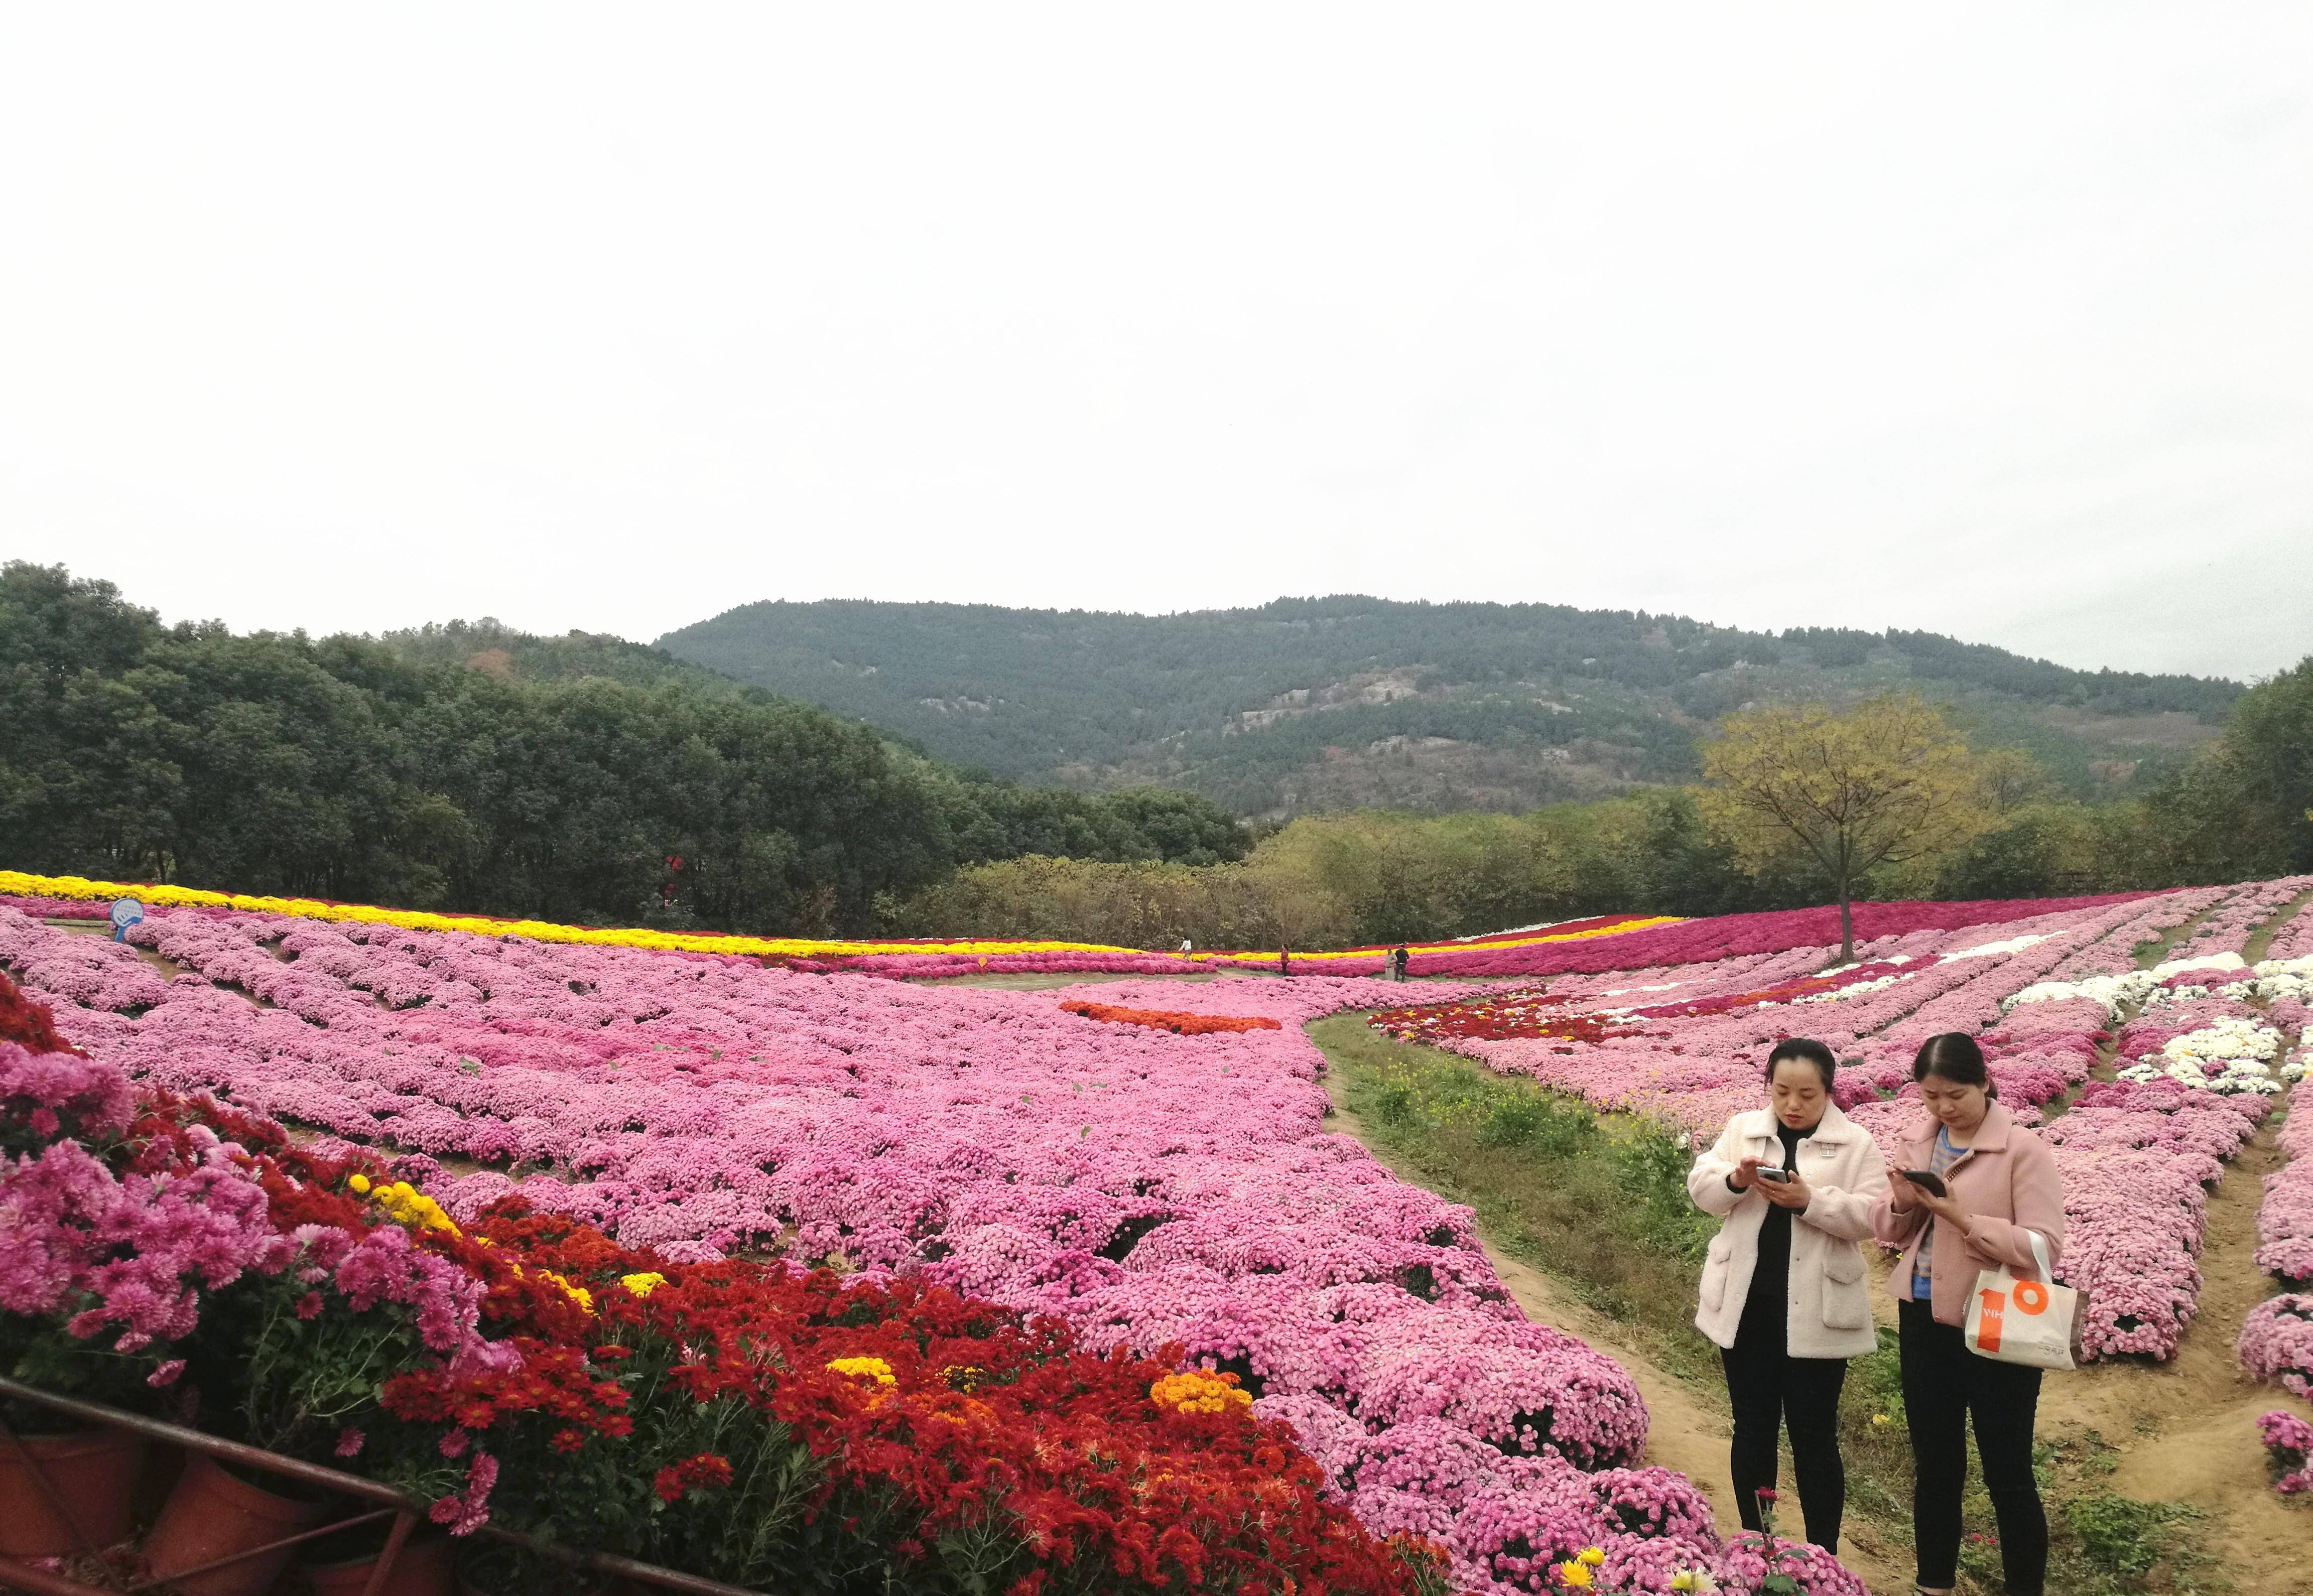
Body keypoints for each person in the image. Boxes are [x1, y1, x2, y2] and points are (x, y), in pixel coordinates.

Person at [1871, 1032, 2065, 1596]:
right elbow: (1892, 1232)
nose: (1944, 1108)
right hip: (1924, 1322)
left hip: (1996, 1325)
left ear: (1984, 1081)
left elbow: (2044, 1247)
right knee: (1936, 1467)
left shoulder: (2022, 1150)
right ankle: (1932, 1584)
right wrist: (1903, 1204)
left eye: (1955, 1094)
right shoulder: (1918, 1141)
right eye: (1931, 1097)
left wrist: (1965, 1219)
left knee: (2007, 1473)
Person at [1688, 1037, 1888, 1555]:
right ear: (1769, 1089)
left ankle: (1822, 1555)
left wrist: (1811, 1202)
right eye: (1782, 1092)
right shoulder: (1743, 1131)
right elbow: (1702, 1191)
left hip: (1817, 1315)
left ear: (1829, 1092)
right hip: (1749, 1309)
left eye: (1807, 1094)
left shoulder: (1856, 1144)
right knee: (1752, 1427)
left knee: (1814, 1437)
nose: (1793, 1105)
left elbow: (1874, 1216)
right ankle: (1761, 1546)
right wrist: (1735, 1180)